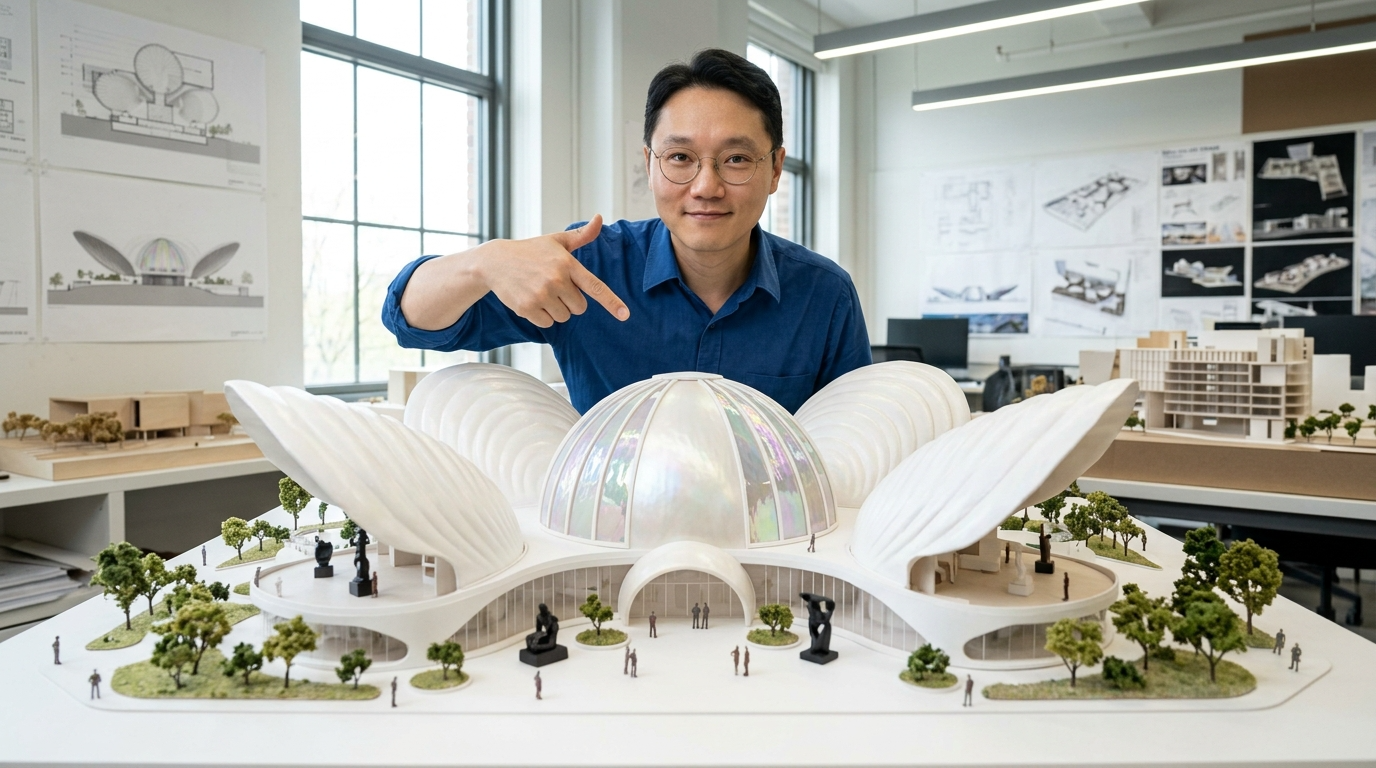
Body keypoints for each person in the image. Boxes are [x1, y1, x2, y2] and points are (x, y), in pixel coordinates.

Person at [382, 49, 871, 417]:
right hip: (611, 543)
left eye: (736, 159)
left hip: (773, 545)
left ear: (776, 169)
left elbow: (854, 440)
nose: (706, 187)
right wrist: (484, 262)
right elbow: (409, 319)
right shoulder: (589, 267)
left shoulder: (825, 296)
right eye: (680, 158)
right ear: (650, 164)